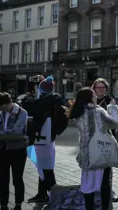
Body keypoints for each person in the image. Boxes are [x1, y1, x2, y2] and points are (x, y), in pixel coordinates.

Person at [69, 88, 118, 210]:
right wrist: (112, 108)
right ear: (90, 97)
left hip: (85, 154)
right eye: (94, 94)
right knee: (104, 184)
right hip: (99, 151)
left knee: (87, 185)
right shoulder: (98, 110)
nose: (96, 96)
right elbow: (114, 123)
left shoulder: (77, 111)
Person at [27, 76, 68, 204]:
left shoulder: (42, 103)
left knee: (45, 168)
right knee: (45, 166)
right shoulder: (56, 101)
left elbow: (36, 120)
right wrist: (56, 132)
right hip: (48, 138)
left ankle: (54, 196)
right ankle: (43, 194)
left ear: (41, 89)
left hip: (41, 140)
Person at [0, 92, 29, 210]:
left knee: (17, 178)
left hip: (18, 150)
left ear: (9, 103)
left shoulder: (22, 112)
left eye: (2, 107)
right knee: (3, 180)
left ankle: (18, 204)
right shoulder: (1, 113)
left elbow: (17, 130)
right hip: (2, 150)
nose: (1, 110)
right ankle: (4, 204)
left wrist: (1, 134)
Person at [91, 78, 118, 203]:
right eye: (98, 87)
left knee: (107, 167)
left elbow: (114, 120)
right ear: (94, 88)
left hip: (107, 138)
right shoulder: (89, 101)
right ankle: (95, 191)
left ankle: (109, 191)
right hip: (92, 139)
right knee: (93, 167)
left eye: (103, 87)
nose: (101, 90)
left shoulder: (110, 101)